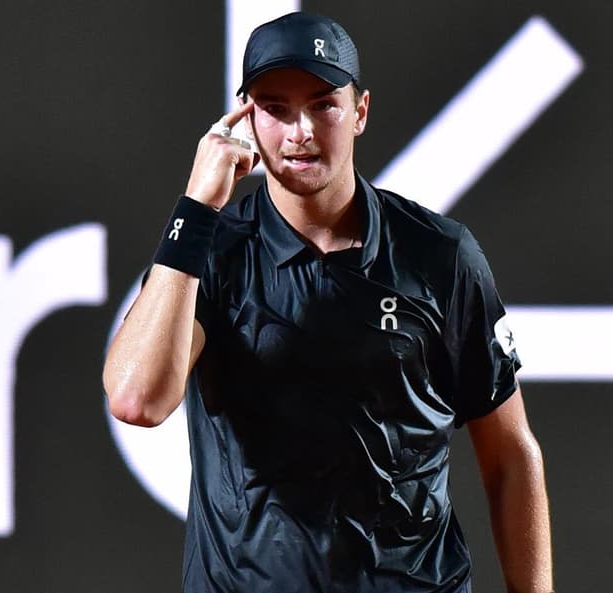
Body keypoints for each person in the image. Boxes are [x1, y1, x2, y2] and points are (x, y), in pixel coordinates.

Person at [103, 11, 552, 593]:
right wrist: (196, 206)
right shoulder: (211, 254)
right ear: (245, 120)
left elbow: (511, 456)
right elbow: (138, 398)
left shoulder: (440, 256)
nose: (301, 131)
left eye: (323, 105)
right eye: (276, 108)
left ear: (360, 112)